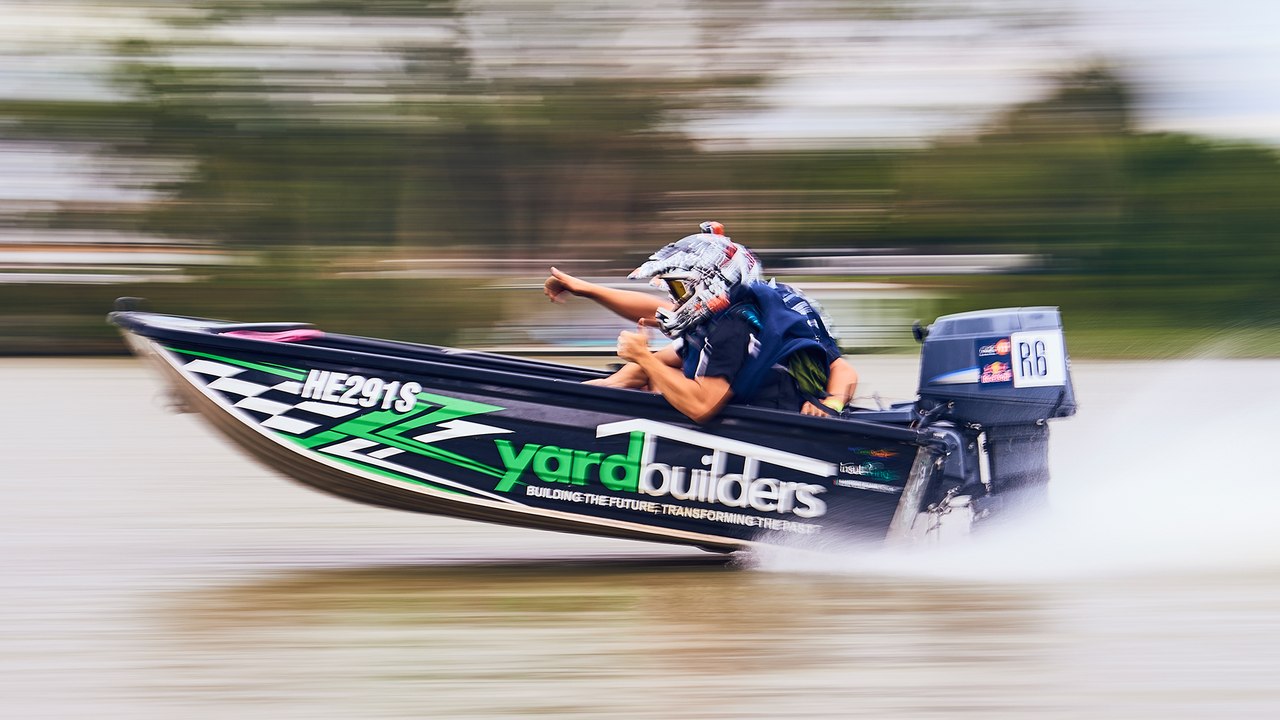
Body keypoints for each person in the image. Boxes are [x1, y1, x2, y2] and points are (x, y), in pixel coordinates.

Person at [545, 225, 858, 421]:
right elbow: (659, 318)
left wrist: (832, 403)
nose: (675, 297)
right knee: (654, 369)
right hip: (756, 392)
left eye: (681, 287)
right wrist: (589, 393)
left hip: (775, 419)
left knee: (656, 375)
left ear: (712, 285)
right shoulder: (729, 311)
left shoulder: (733, 328)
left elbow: (701, 408)